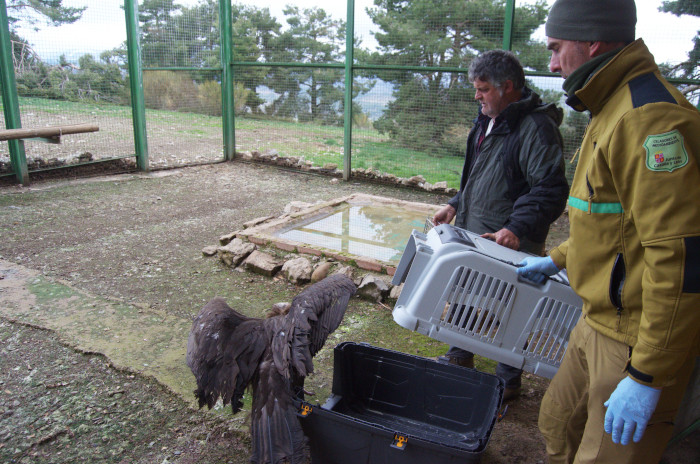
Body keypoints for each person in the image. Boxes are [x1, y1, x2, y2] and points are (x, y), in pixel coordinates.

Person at [518, 0, 700, 462]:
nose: (552, 62)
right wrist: (558, 258)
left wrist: (647, 374)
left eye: (557, 48)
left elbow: (681, 258)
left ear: (592, 41)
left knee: (608, 457)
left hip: (636, 335)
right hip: (594, 319)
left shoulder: (650, 119)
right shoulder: (609, 105)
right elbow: (610, 222)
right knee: (557, 425)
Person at [432, 49, 569, 401]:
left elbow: (550, 189)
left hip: (511, 239)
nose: (476, 96)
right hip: (477, 230)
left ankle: (508, 380)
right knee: (462, 289)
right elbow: (480, 176)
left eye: (483, 89)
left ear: (507, 87)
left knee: (513, 305)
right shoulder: (488, 118)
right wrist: (455, 204)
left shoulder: (536, 128)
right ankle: (459, 357)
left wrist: (517, 228)